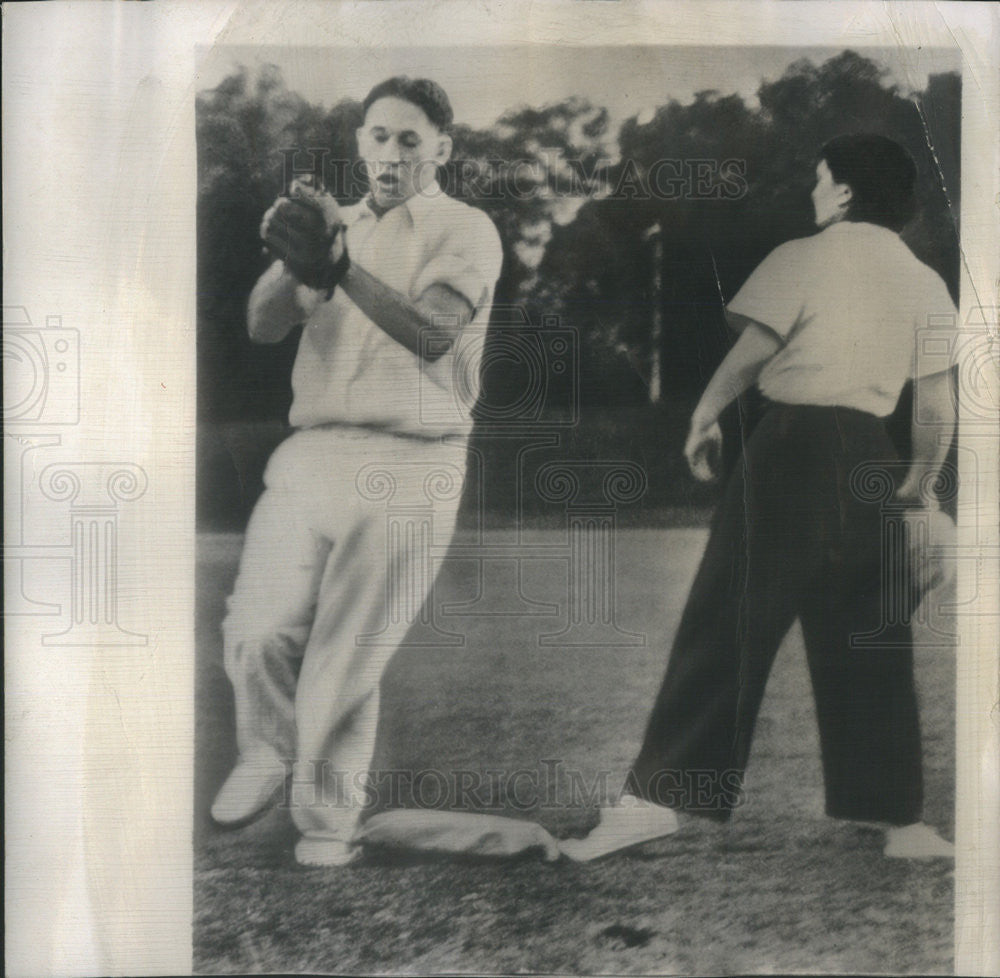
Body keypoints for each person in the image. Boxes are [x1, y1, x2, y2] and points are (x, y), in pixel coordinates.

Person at [562, 133, 957, 862]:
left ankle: (655, 801)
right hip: (873, 454)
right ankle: (899, 821)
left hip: (793, 447)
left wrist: (702, 415)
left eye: (819, 178)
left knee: (729, 618)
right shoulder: (925, 280)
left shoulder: (803, 256)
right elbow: (936, 405)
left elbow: (755, 351)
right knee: (870, 630)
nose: (813, 192)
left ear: (842, 193)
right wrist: (919, 494)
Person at [210, 76, 504, 867]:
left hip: (415, 458)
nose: (391, 153)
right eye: (378, 136)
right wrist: (292, 257)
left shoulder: (465, 229)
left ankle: (327, 827)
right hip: (314, 450)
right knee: (258, 630)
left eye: (411, 140)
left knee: (345, 655)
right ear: (359, 142)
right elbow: (261, 326)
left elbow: (435, 333)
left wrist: (339, 265)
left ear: (442, 149)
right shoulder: (338, 225)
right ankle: (269, 750)